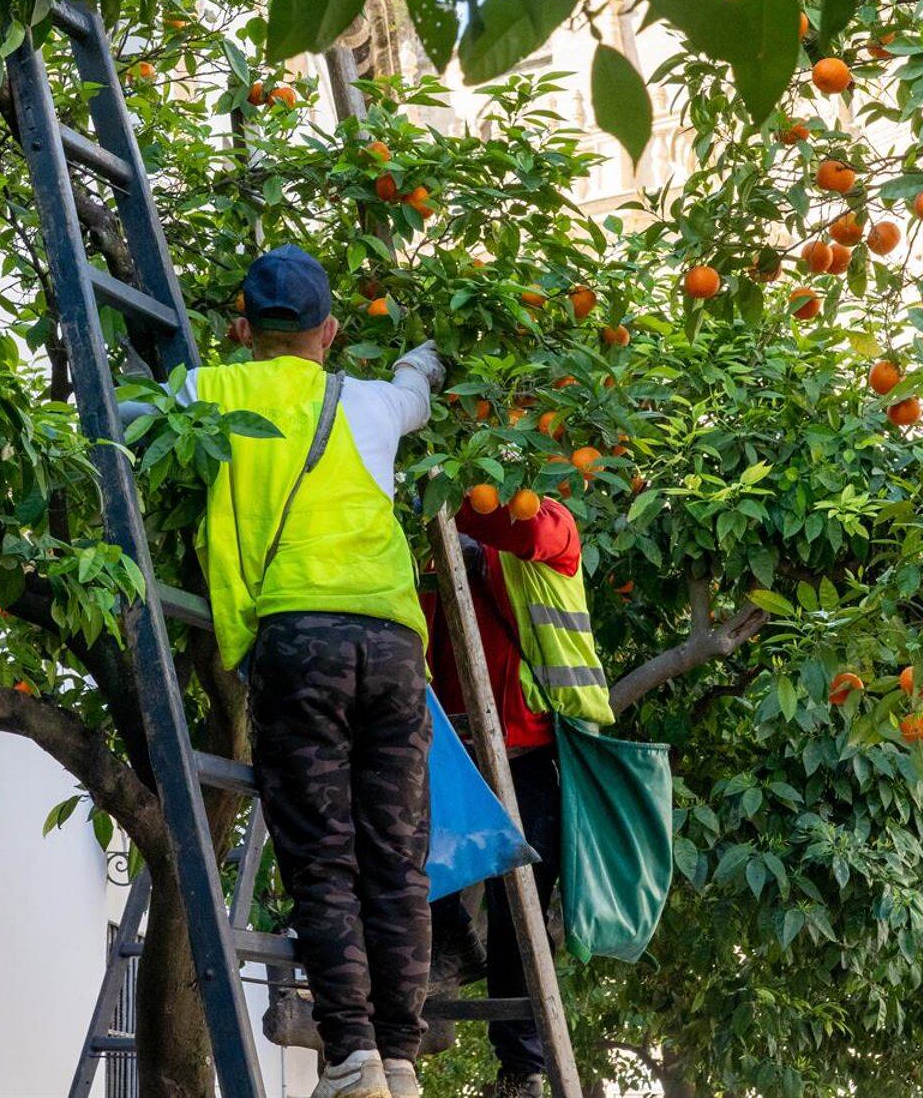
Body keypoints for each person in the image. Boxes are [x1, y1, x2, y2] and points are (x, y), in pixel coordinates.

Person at [158, 244, 444, 1098]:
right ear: (331, 331)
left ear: (242, 326)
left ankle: (352, 1057)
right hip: (395, 647)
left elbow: (142, 402)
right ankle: (399, 1055)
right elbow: (419, 389)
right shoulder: (371, 403)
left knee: (322, 857)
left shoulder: (215, 390)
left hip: (298, 640)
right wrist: (424, 354)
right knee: (398, 858)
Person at [424, 490, 613, 1098]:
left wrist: (452, 486)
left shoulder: (547, 523)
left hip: (528, 754)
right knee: (415, 867)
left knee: (518, 913)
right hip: (454, 752)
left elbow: (526, 529)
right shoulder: (428, 558)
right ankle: (449, 939)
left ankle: (520, 1069)